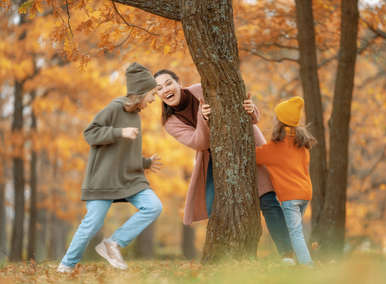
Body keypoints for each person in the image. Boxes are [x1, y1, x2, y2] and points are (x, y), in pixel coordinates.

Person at [154, 69, 293, 262]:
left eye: (168, 83)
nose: (165, 89)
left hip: (246, 145)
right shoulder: (170, 122)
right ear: (157, 95)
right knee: (215, 207)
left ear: (178, 82)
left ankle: (288, 255)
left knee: (267, 199)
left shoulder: (200, 90)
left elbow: (249, 117)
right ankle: (227, 257)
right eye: (159, 88)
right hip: (214, 158)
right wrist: (203, 118)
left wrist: (251, 109)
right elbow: (199, 143)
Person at [57, 63, 163, 273]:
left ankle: (113, 243)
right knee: (92, 224)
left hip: (129, 178)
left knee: (153, 206)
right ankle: (66, 266)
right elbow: (90, 134)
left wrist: (145, 163)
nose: (153, 99)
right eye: (152, 93)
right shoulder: (115, 107)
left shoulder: (136, 116)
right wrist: (119, 133)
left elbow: (123, 154)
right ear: (141, 92)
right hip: (103, 179)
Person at [255, 96, 316, 265]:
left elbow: (255, 156)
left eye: (276, 116)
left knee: (296, 232)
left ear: (279, 121)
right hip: (305, 194)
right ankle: (294, 260)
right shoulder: (301, 144)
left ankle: (307, 266)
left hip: (290, 197)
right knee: (294, 231)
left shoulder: (276, 146)